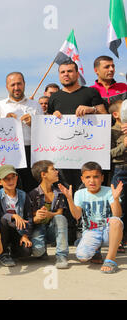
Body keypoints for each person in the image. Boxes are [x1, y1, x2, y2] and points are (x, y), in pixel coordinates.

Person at [47, 60, 107, 243]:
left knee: (86, 194)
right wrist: (52, 117)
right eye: (63, 72)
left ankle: (87, 232)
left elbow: (106, 117)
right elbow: (48, 126)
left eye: (70, 71)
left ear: (77, 73)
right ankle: (69, 234)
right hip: (63, 158)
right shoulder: (54, 97)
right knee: (66, 194)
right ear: (59, 75)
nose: (66, 74)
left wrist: (91, 109)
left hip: (88, 157)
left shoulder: (90, 92)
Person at [58, 162, 124, 273]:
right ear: (82, 179)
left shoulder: (109, 191)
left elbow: (117, 215)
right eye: (88, 177)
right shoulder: (80, 193)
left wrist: (116, 198)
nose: (92, 181)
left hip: (109, 231)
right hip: (91, 231)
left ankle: (110, 259)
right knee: (82, 256)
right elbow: (77, 215)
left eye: (96, 177)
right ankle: (94, 249)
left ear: (102, 178)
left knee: (116, 222)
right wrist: (70, 199)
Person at [0, 72, 43, 193]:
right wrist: (5, 122)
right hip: (9, 150)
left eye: (19, 84)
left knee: (31, 185)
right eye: (13, 84)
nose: (16, 88)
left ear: (24, 84)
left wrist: (34, 123)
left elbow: (44, 131)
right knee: (12, 187)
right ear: (7, 87)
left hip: (30, 151)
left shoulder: (35, 105)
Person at [29, 160, 69, 269]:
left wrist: (48, 214)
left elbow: (59, 213)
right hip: (39, 228)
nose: (57, 172)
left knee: (60, 218)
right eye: (53, 169)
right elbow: (33, 220)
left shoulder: (58, 193)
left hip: (53, 229)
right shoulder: (33, 194)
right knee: (38, 252)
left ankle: (62, 256)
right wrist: (37, 216)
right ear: (43, 174)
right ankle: (42, 250)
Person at [0, 165, 33, 267]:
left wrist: (25, 235)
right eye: (6, 178)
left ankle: (13, 251)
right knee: (3, 220)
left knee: (26, 252)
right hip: (4, 230)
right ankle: (3, 253)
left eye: (13, 177)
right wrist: (14, 216)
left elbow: (29, 218)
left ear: (17, 178)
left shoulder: (23, 195)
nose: (11, 181)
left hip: (18, 231)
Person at [108, 100, 127, 251]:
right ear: (116, 115)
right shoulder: (112, 131)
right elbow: (108, 154)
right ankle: (118, 239)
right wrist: (124, 145)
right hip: (120, 169)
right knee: (119, 204)